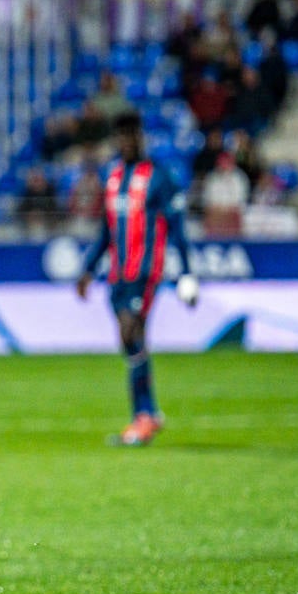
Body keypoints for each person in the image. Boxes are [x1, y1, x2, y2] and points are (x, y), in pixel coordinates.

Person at [77, 112, 199, 447]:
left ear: (140, 138)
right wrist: (88, 269)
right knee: (129, 342)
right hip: (117, 274)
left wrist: (187, 273)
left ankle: (143, 417)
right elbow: (106, 230)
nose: (125, 142)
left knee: (132, 330)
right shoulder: (113, 177)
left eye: (131, 136)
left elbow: (177, 229)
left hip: (144, 272)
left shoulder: (159, 178)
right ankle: (147, 414)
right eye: (120, 136)